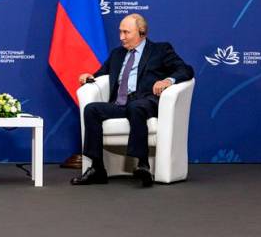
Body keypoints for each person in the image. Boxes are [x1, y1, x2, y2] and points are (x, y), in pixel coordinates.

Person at [71, 13, 193, 187]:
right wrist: (89, 76)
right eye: (120, 32)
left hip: (145, 101)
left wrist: (168, 81)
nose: (121, 37)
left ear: (141, 32)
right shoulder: (117, 54)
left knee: (136, 107)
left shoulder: (160, 50)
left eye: (126, 32)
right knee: (91, 109)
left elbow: (185, 70)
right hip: (120, 103)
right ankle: (97, 168)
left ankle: (143, 165)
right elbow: (100, 74)